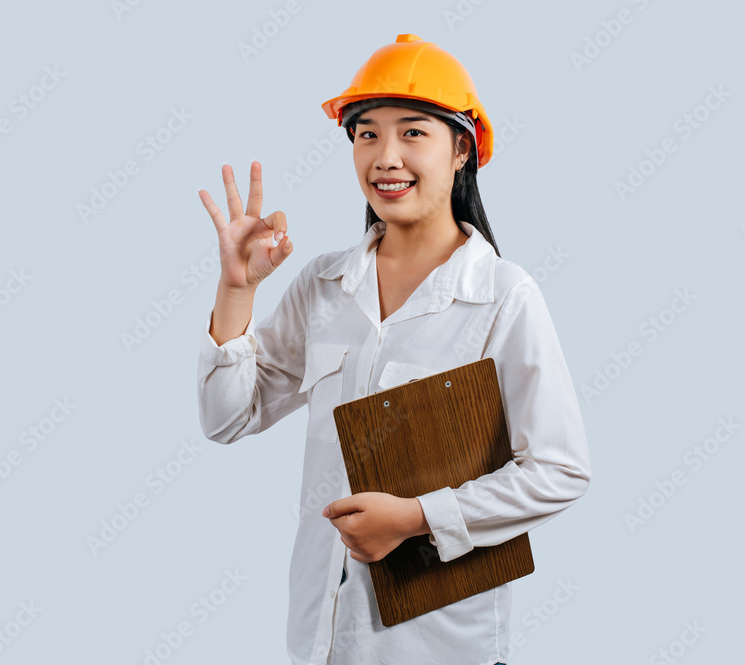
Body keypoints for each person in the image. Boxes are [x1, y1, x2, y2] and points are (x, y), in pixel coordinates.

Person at [196, 34, 590, 665]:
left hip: (440, 645)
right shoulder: (325, 286)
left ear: (462, 148)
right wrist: (236, 289)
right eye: (366, 135)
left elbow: (560, 471)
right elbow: (225, 418)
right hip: (321, 638)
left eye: (412, 133)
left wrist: (415, 518)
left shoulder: (503, 296)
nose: (385, 157)